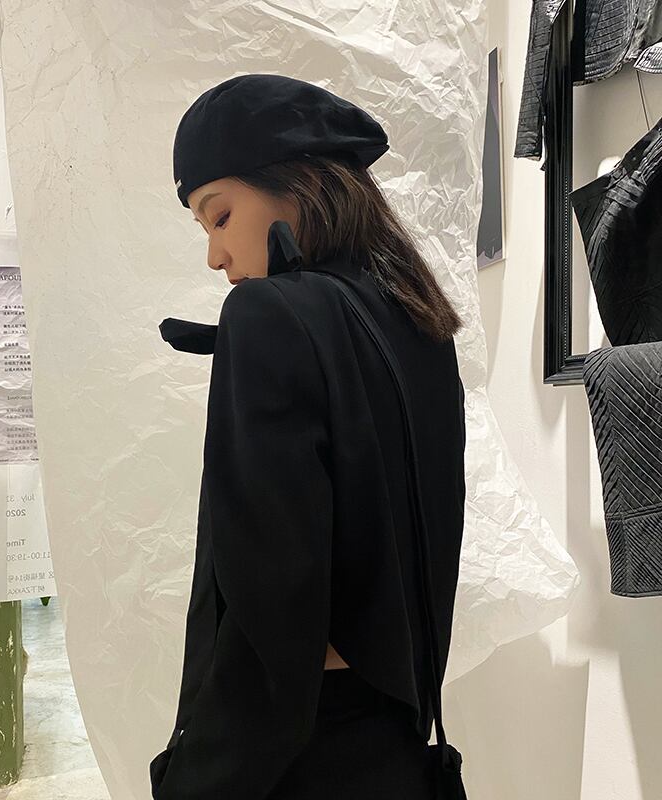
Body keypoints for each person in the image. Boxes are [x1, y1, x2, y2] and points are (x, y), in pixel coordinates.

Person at [151, 73, 467, 800]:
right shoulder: (420, 321)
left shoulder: (267, 316)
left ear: (297, 185)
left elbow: (272, 607)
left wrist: (201, 774)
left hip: (291, 753)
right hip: (397, 734)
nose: (214, 255)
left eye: (219, 215)